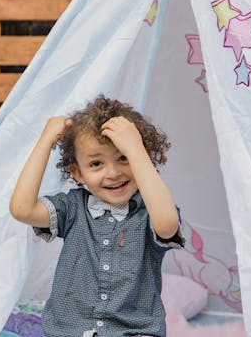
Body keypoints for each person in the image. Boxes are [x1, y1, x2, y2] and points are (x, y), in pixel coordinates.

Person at [9, 95, 185, 337]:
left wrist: (135, 148)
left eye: (123, 158)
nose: (113, 173)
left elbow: (167, 226)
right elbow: (22, 209)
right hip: (68, 332)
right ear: (78, 173)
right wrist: (45, 142)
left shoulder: (151, 212)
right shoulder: (72, 208)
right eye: (96, 164)